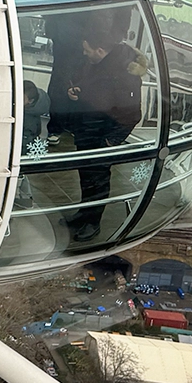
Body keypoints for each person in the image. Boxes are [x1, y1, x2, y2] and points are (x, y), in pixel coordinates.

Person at [49, 15, 145, 243]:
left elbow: (132, 114)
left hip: (102, 137)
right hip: (87, 130)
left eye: (87, 50)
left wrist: (111, 142)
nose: (84, 54)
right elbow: (93, 89)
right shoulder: (99, 64)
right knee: (87, 177)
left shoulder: (126, 74)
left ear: (100, 50)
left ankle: (93, 223)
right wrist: (77, 91)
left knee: (98, 180)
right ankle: (85, 213)